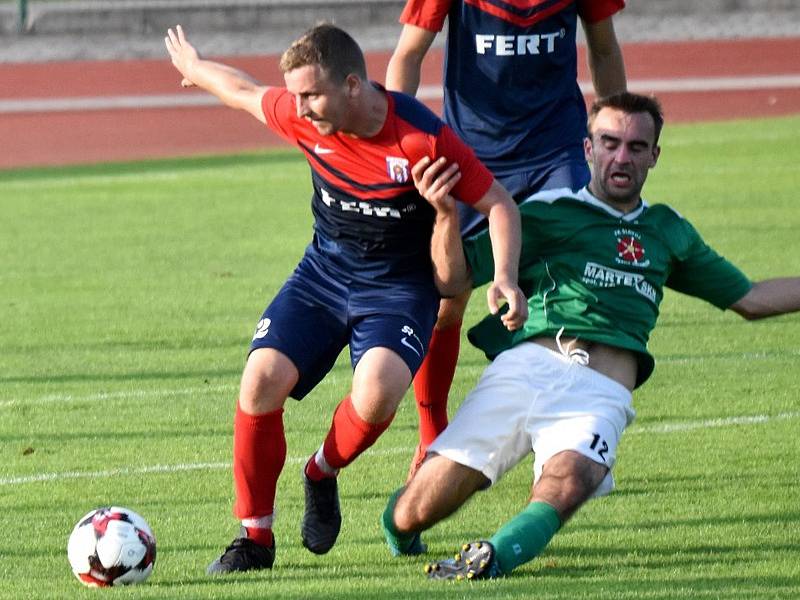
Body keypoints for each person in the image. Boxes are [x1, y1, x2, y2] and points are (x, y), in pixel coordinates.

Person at [382, 92, 800, 580]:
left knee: (573, 479)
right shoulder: (545, 211)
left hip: (602, 391)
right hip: (528, 369)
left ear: (654, 156)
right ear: (588, 149)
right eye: (610, 143)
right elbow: (453, 281)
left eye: (636, 147)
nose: (622, 157)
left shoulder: (669, 230)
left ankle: (493, 557)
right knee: (419, 507)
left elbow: (748, 297)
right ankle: (400, 530)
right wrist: (446, 217)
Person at [164, 23, 526, 574]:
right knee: (259, 380)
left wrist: (504, 275)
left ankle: (321, 471)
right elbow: (239, 90)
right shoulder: (302, 115)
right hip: (323, 273)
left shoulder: (420, 139)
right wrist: (195, 66)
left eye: (311, 94)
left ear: (353, 84)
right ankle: (254, 539)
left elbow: (500, 204)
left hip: (399, 288)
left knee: (378, 394)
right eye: (296, 95)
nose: (300, 107)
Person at [385, 0, 628, 477]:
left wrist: (614, 131)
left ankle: (558, 442)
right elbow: (408, 54)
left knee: (572, 289)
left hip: (556, 151)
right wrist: (397, 141)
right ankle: (433, 434)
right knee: (446, 296)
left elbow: (604, 48)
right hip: (471, 154)